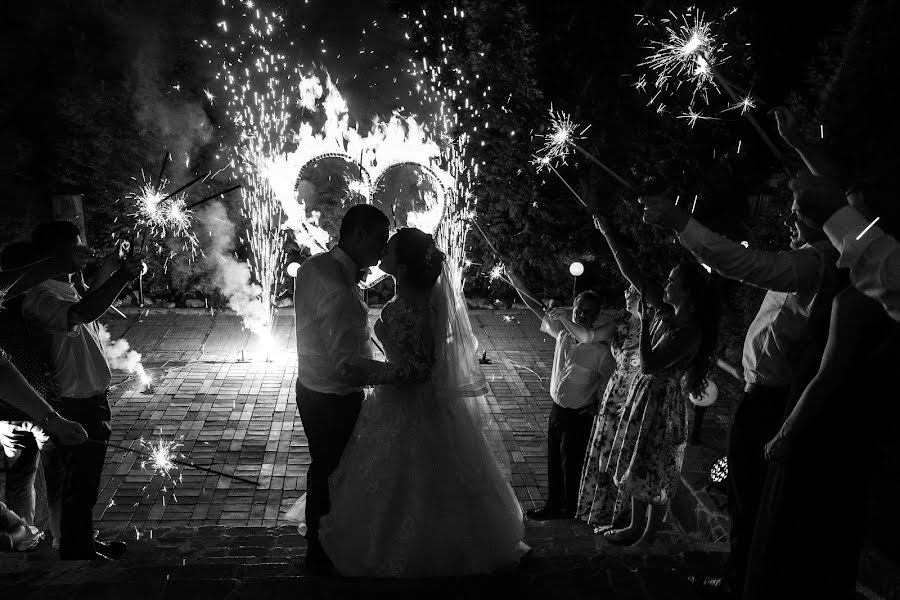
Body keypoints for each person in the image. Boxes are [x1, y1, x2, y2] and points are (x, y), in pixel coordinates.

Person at [292, 227, 529, 577]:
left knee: (403, 475)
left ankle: (401, 546)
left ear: (401, 268)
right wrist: (388, 374)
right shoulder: (414, 302)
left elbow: (419, 367)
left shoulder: (409, 308)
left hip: (401, 400)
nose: (380, 253)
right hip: (397, 398)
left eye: (387, 249)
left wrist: (384, 375)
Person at [291, 205, 427, 574]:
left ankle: (321, 545)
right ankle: (327, 550)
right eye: (380, 240)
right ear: (361, 234)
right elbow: (347, 366)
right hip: (335, 398)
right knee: (337, 474)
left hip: (308, 387)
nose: (383, 249)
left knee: (324, 468)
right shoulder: (340, 289)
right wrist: (399, 373)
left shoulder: (311, 266)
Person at [594, 214, 719, 546]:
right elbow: (632, 274)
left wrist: (644, 320)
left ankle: (647, 533)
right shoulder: (667, 313)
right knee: (639, 461)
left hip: (662, 404)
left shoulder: (689, 333)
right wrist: (608, 230)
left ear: (687, 292)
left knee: (654, 465)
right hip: (647, 397)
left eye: (673, 280)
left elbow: (649, 364)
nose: (666, 283)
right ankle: (636, 528)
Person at [22, 221, 142, 560]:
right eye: (76, 246)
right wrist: (120, 278)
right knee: (77, 481)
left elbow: (87, 299)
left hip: (89, 399)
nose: (83, 250)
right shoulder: (40, 295)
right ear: (54, 255)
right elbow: (82, 311)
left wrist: (110, 269)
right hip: (69, 404)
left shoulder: (66, 284)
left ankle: (81, 541)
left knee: (85, 481)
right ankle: (76, 548)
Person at [505, 268, 616, 520]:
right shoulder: (564, 334)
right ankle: (553, 505)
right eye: (579, 309)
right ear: (573, 307)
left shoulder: (599, 351)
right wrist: (514, 278)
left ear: (596, 316)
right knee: (554, 461)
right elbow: (536, 307)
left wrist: (599, 406)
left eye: (588, 311)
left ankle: (573, 510)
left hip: (579, 416)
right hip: (557, 410)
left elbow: (613, 380)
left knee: (572, 465)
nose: (582, 314)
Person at [576, 285, 642, 531]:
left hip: (631, 399)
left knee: (620, 454)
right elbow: (588, 336)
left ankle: (620, 516)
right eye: (627, 289)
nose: (627, 293)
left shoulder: (653, 329)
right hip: (613, 394)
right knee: (604, 452)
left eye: (634, 290)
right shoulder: (622, 321)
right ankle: (601, 511)